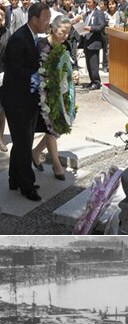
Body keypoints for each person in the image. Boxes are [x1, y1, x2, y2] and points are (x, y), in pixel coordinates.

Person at [2, 2, 51, 201]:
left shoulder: (31, 36)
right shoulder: (19, 39)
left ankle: (14, 178)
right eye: (45, 19)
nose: (48, 23)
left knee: (23, 141)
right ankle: (26, 185)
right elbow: (16, 71)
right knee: (23, 143)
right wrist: (41, 76)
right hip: (17, 101)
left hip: (26, 99)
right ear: (34, 20)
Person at [32, 14, 77, 180]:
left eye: (68, 32)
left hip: (60, 93)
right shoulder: (40, 44)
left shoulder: (65, 46)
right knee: (51, 128)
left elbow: (70, 65)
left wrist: (74, 73)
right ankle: (57, 165)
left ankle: (36, 152)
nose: (65, 36)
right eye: (62, 32)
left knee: (56, 128)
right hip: (41, 93)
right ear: (53, 28)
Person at [75, 0, 105, 90]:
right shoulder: (87, 14)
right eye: (87, 2)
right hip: (86, 41)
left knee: (94, 64)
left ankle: (96, 82)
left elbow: (101, 26)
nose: (88, 4)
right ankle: (92, 80)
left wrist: (91, 28)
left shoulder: (99, 13)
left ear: (94, 3)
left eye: (89, 2)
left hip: (94, 41)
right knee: (89, 64)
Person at [0, 7, 10, 152]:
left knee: (1, 110)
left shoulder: (7, 33)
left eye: (2, 15)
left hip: (2, 75)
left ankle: (0, 139)